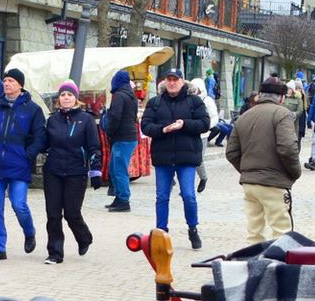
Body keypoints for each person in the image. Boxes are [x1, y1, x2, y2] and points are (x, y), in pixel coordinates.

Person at [0, 66, 45, 260]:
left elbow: (40, 137)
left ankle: (29, 232)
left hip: (18, 164)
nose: (7, 84)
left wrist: (28, 155)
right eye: (6, 81)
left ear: (20, 86)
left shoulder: (32, 109)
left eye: (12, 81)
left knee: (19, 205)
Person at [227, 75, 301, 242]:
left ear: (260, 95)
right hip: (274, 181)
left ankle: (252, 265)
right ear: (281, 97)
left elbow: (231, 152)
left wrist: (247, 170)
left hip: (249, 183)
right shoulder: (282, 114)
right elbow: (288, 148)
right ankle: (279, 267)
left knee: (254, 233)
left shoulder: (244, 116)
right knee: (282, 232)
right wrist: (294, 173)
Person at [142, 67, 210, 249]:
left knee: (188, 195)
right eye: (169, 79)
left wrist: (184, 124)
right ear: (164, 82)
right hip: (163, 156)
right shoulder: (155, 103)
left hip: (186, 156)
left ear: (182, 82)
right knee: (162, 196)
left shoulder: (193, 101)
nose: (172, 83)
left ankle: (193, 228)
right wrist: (162, 129)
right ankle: (161, 232)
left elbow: (205, 123)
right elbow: (146, 126)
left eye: (175, 79)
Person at [41, 80, 100, 263]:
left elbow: (94, 147)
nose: (66, 98)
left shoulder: (86, 119)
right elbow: (44, 144)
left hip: (76, 171)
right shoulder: (52, 120)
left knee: (72, 213)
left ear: (76, 98)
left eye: (69, 95)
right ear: (59, 99)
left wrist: (95, 171)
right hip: (53, 171)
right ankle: (55, 252)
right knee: (53, 214)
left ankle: (84, 238)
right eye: (63, 95)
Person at [102, 68, 140, 213]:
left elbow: (115, 117)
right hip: (128, 137)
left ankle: (123, 200)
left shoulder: (119, 95)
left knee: (119, 170)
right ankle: (119, 197)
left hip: (123, 137)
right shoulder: (131, 96)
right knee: (115, 168)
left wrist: (109, 132)